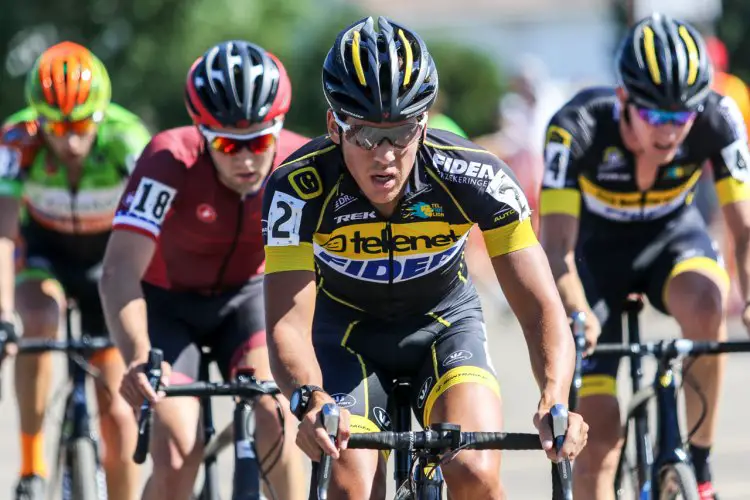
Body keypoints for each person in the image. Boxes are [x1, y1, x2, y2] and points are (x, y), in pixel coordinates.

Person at [261, 16, 588, 499]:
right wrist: (309, 399)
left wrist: (555, 397)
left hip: (444, 325)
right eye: (367, 135)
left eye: (402, 132)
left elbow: (540, 304)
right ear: (335, 125)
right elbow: (287, 323)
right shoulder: (297, 189)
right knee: (350, 484)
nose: (386, 154)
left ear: (425, 122)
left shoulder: (475, 178)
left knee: (475, 472)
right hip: (345, 336)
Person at [539, 13, 750, 500]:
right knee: (599, 446)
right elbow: (556, 249)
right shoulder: (575, 129)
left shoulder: (718, 116)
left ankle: (698, 464)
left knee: (707, 304)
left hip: (672, 240)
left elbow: (744, 229)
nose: (671, 130)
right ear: (622, 100)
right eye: (655, 115)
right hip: (590, 262)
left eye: (682, 116)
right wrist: (577, 311)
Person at [99, 40, 308, 500]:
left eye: (259, 141)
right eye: (230, 144)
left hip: (249, 301)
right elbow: (118, 271)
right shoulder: (167, 160)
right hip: (168, 307)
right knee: (176, 451)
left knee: (276, 415)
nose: (248, 159)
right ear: (201, 132)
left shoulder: (299, 163)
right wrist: (136, 355)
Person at [0, 41, 151, 500]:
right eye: (55, 125)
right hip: (43, 253)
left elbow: (158, 230)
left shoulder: (128, 138)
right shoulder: (17, 139)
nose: (68, 140)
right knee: (38, 321)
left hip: (108, 264)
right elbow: (4, 233)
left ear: (100, 113)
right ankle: (30, 467)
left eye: (81, 124)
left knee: (119, 411)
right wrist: (4, 315)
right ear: (37, 117)